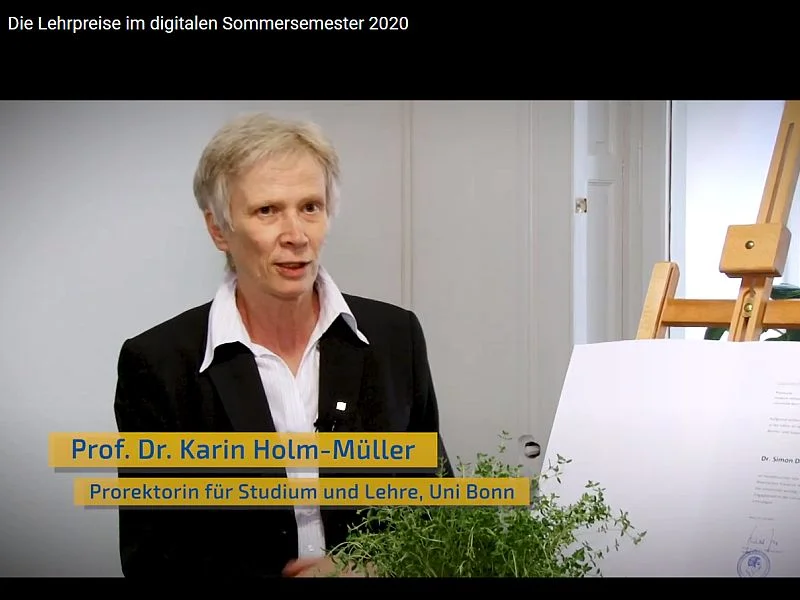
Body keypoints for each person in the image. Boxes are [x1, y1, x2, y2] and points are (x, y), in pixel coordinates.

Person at [113, 112, 453, 578]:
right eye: (267, 211)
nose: (296, 235)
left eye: (310, 207)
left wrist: (372, 567)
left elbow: (436, 513)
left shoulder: (396, 337)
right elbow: (151, 558)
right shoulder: (158, 364)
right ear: (218, 230)